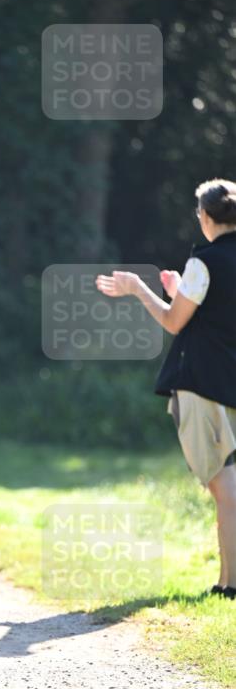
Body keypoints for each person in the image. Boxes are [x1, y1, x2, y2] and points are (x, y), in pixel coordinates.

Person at [96, 178, 236, 599]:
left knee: (223, 485)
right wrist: (179, 294)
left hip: (203, 384)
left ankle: (232, 586)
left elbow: (174, 323)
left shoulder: (205, 261)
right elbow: (214, 316)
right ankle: (225, 583)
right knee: (226, 488)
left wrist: (139, 289)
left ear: (207, 217)